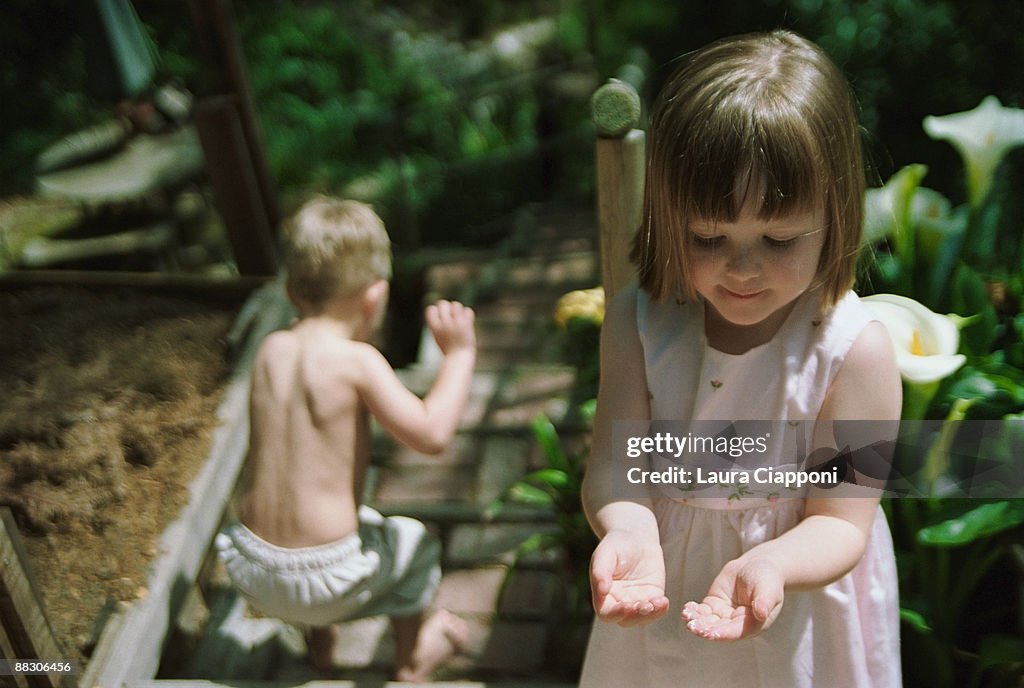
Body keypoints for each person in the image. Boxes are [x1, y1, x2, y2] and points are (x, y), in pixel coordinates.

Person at [578, 30, 902, 687]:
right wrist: (626, 528)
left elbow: (843, 520)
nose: (743, 268)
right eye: (708, 236)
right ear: (669, 215)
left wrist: (774, 564)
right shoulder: (638, 327)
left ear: (834, 214)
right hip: (661, 599)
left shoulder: (852, 351)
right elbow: (619, 462)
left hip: (797, 617)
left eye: (778, 239)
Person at [215, 197, 476, 680]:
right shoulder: (357, 362)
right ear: (374, 297)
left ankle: (320, 652)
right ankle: (412, 662)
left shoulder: (271, 350)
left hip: (247, 565)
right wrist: (458, 355)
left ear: (292, 291)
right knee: (415, 544)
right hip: (323, 580)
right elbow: (433, 435)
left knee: (351, 518)